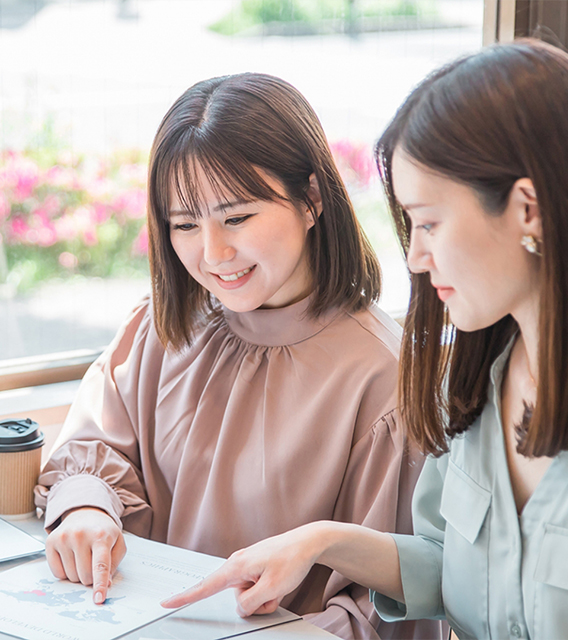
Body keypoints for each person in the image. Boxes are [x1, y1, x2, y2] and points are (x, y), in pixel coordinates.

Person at [161, 40, 568, 640]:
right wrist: (321, 541)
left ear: (527, 209)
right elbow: (448, 564)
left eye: (428, 223)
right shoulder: (481, 384)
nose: (416, 256)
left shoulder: (379, 371)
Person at [34, 73, 445, 640]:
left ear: (311, 199)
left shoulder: (382, 380)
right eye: (184, 225)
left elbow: (383, 608)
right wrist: (86, 509)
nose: (213, 254)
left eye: (237, 217)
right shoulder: (163, 327)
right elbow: (92, 447)